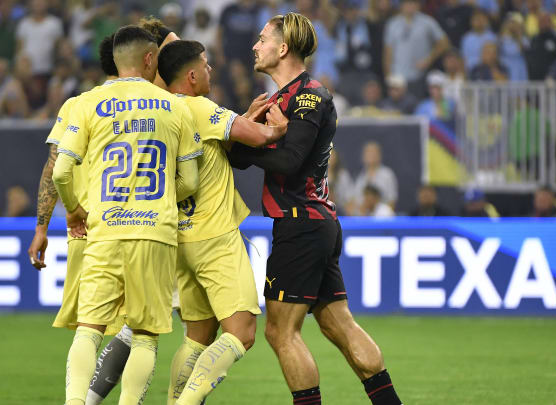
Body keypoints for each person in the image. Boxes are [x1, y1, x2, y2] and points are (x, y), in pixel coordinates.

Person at [229, 12, 402, 405]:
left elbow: (289, 162)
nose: (255, 46)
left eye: (262, 39)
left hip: (301, 225)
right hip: (312, 223)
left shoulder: (309, 96)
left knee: (280, 332)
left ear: (282, 48)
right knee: (338, 324)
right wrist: (248, 126)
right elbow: (238, 158)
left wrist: (258, 138)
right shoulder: (277, 100)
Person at [52, 26, 202, 405]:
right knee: (145, 337)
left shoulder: (86, 103)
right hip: (154, 232)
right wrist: (160, 197)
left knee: (89, 330)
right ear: (150, 59)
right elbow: (190, 180)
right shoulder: (176, 107)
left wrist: (74, 209)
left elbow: (61, 172)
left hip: (105, 230)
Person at [158, 39, 288, 405]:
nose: (211, 70)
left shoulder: (164, 110)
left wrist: (242, 117)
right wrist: (277, 128)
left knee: (198, 336)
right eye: (205, 64)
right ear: (192, 75)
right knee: (242, 332)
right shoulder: (201, 107)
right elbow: (260, 137)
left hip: (180, 238)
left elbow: (214, 143)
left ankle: (175, 400)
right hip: (214, 236)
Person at [27, 34, 132, 405]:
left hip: (83, 232)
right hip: (133, 229)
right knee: (138, 331)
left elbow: (54, 166)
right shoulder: (152, 105)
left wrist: (42, 227)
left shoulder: (77, 105)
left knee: (90, 329)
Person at [383, 0, 449, 98]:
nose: (410, 6)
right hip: (398, 77)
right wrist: (388, 76)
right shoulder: (393, 24)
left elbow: (444, 43)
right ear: (401, 6)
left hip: (419, 76)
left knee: (418, 105)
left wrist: (428, 59)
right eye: (407, 3)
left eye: (413, 3)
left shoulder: (427, 22)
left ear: (418, 5)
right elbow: (388, 52)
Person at [352, 142, 398, 212]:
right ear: (363, 156)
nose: (371, 155)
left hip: (382, 214)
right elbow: (356, 200)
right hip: (364, 215)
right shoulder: (360, 177)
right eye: (368, 153)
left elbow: (392, 201)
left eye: (374, 153)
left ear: (379, 155)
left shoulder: (387, 175)